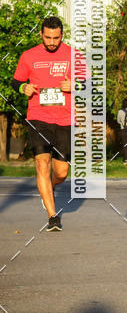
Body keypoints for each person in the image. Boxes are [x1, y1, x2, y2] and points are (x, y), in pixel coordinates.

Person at [12, 16, 74, 231]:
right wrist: (23, 89)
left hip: (65, 119)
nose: (51, 42)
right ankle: (52, 216)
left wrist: (74, 85)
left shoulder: (74, 55)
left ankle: (49, 186)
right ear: (41, 34)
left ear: (62, 35)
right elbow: (16, 82)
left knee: (62, 172)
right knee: (42, 164)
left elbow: (88, 84)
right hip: (38, 118)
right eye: (47, 37)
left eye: (56, 38)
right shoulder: (28, 56)